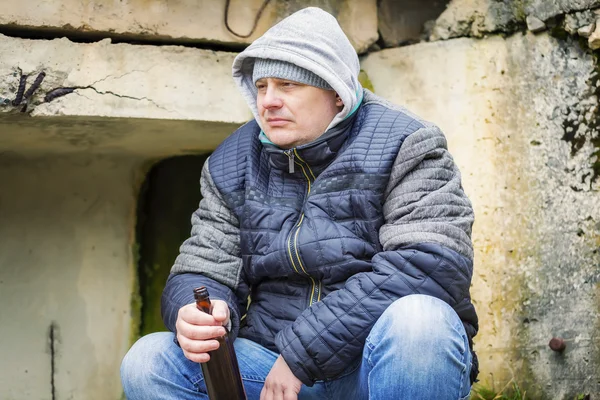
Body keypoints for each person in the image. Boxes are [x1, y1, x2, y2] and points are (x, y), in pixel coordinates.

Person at [120, 6, 478, 400]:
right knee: (149, 360)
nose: (268, 102)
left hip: (373, 367)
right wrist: (197, 312)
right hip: (269, 368)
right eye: (261, 87)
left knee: (421, 321)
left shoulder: (406, 143)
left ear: (336, 93)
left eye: (288, 85)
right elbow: (205, 267)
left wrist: (301, 355)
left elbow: (429, 266)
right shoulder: (232, 161)